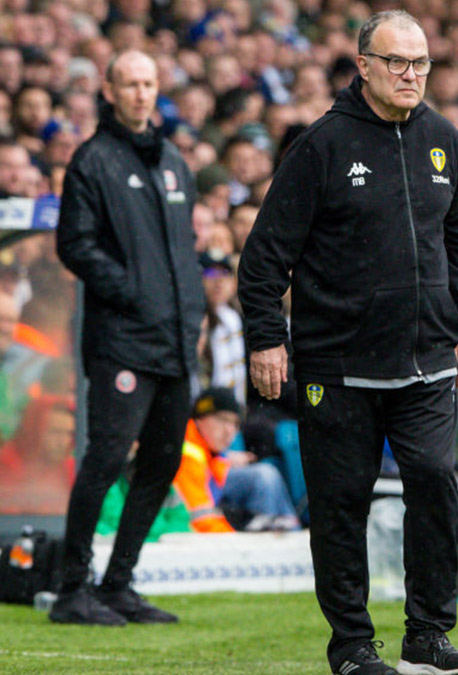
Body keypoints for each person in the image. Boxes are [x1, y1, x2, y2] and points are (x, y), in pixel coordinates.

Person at [237, 11, 458, 675]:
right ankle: (350, 645)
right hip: (338, 363)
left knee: (434, 483)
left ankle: (428, 638)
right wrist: (266, 338)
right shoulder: (321, 145)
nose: (411, 75)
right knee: (341, 506)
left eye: (422, 63)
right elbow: (264, 257)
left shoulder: (443, 139)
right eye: (397, 62)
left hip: (428, 357)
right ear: (364, 65)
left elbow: (454, 236)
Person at [51, 50, 204, 627]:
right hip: (121, 337)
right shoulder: (92, 160)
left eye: (148, 83)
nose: (140, 93)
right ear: (110, 91)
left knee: (161, 463)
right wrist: (134, 291)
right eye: (129, 84)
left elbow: (183, 250)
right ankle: (72, 590)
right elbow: (75, 244)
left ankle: (118, 584)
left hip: (174, 339)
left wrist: (188, 312)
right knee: (106, 458)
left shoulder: (172, 161)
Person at [172, 387, 300, 533]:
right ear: (200, 418)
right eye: (222, 420)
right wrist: (237, 544)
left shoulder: (211, 451)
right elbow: (202, 520)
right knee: (263, 476)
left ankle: (287, 530)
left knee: (267, 474)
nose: (229, 431)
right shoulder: (189, 455)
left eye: (235, 424)